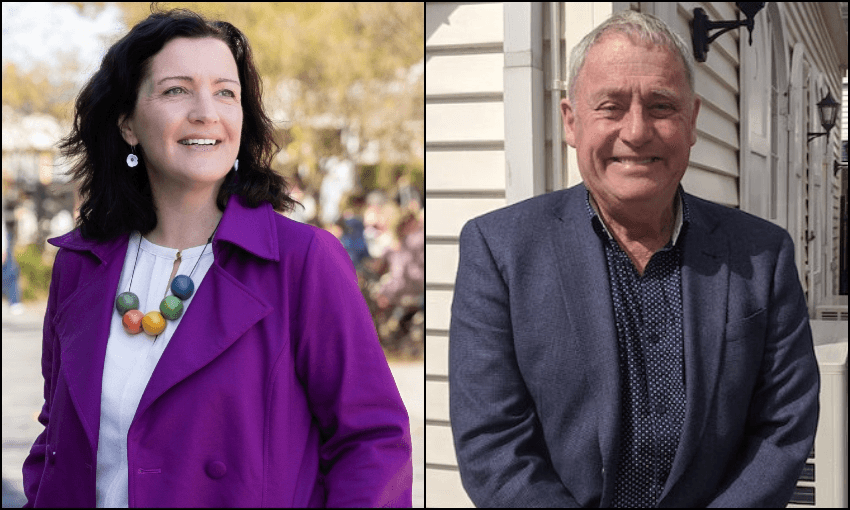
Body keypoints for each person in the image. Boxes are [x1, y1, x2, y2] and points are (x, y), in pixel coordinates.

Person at [22, 7, 411, 508]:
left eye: (226, 92)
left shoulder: (303, 261)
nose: (207, 111)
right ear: (127, 124)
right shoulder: (80, 262)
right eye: (176, 90)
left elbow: (373, 444)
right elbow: (58, 433)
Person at [450, 10, 818, 508]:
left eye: (662, 106)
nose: (638, 130)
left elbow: (783, 427)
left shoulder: (762, 255)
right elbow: (493, 445)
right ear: (571, 122)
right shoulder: (500, 251)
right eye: (611, 106)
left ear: (692, 123)